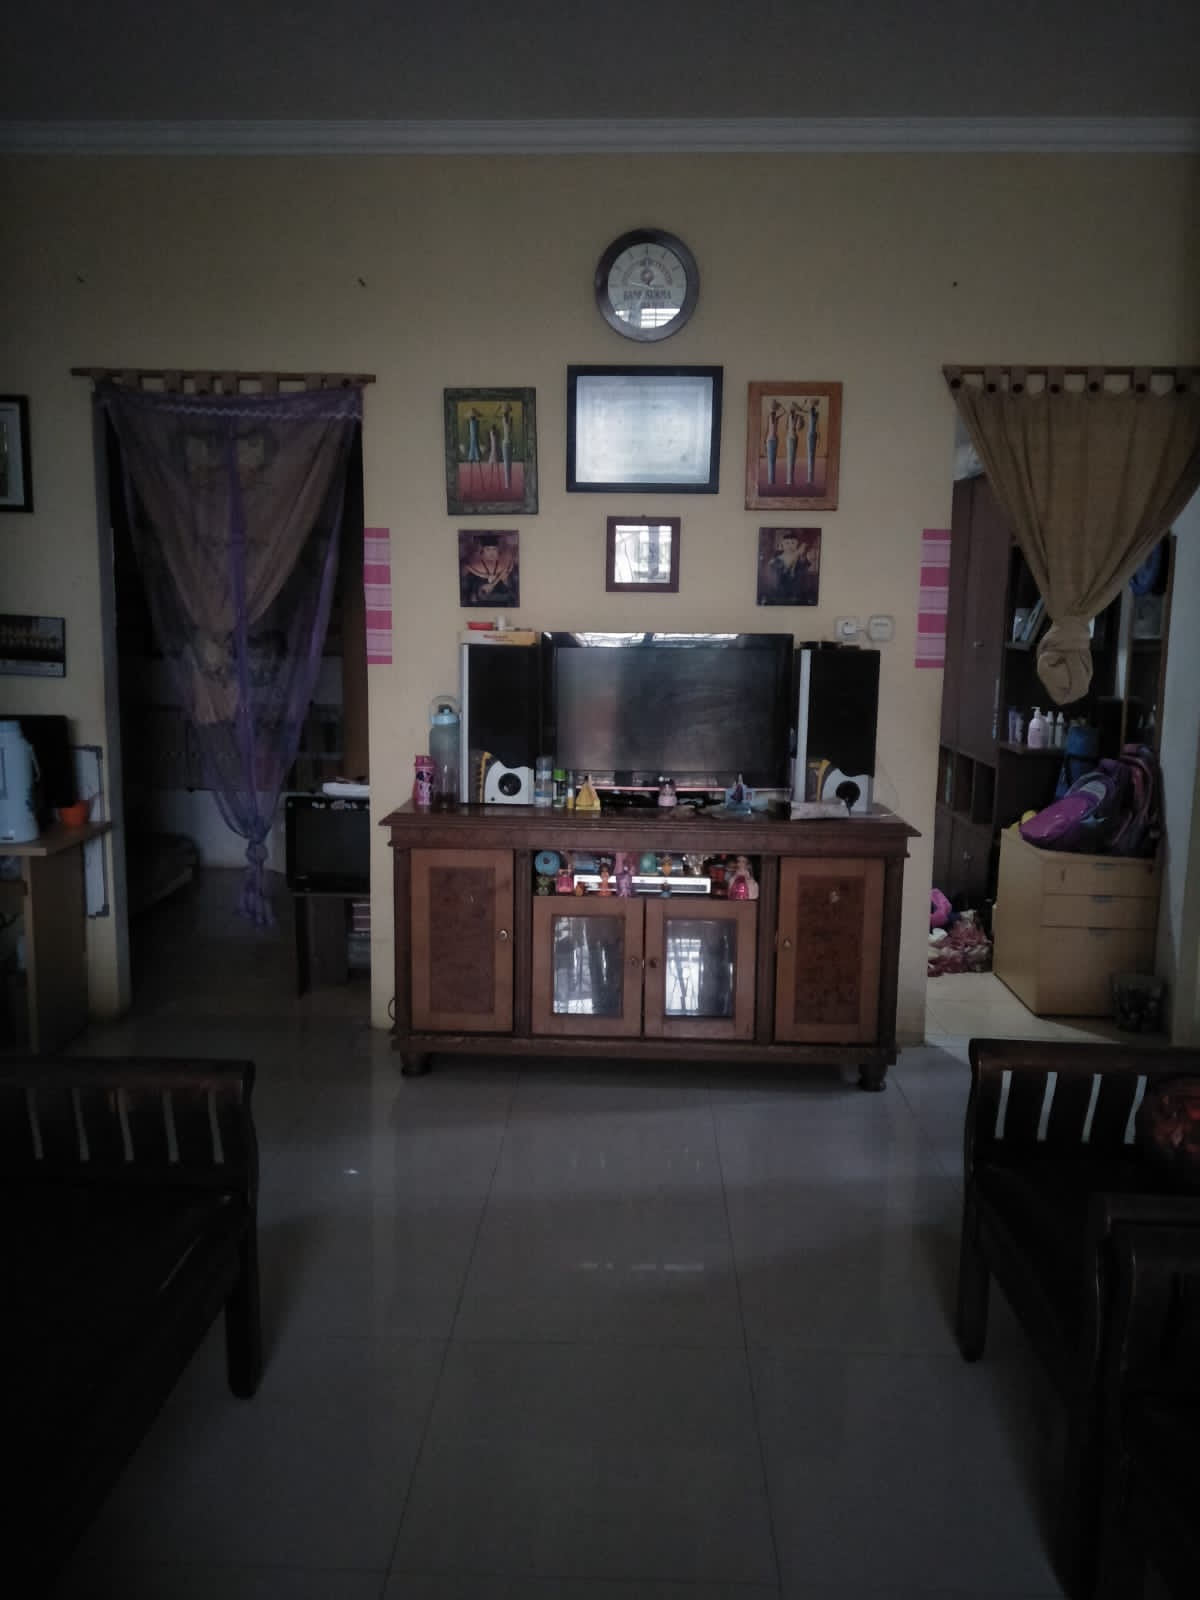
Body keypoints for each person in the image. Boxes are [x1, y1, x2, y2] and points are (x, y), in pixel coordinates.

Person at [460, 534, 517, 606]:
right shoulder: (472, 566)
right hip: (479, 605)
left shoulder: (506, 564)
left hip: (502, 604)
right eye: (488, 549)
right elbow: (467, 591)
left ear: (498, 550)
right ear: (482, 551)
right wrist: (481, 587)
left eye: (494, 549)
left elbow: (513, 591)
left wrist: (505, 581)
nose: (491, 553)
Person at [763, 529, 817, 605]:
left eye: (793, 543)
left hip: (798, 598)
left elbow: (804, 571)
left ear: (797, 545)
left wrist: (806, 557)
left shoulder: (800, 559)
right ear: (782, 545)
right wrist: (798, 553)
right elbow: (783, 572)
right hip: (780, 598)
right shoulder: (775, 560)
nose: (790, 546)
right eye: (787, 543)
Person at [764, 398, 785, 486]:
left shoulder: (777, 418)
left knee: (773, 461)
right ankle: (770, 481)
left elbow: (784, 411)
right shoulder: (769, 417)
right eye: (773, 410)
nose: (773, 411)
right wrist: (764, 442)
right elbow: (766, 430)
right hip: (769, 440)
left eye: (774, 410)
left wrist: (780, 405)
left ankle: (772, 481)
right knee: (770, 461)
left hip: (775, 440)